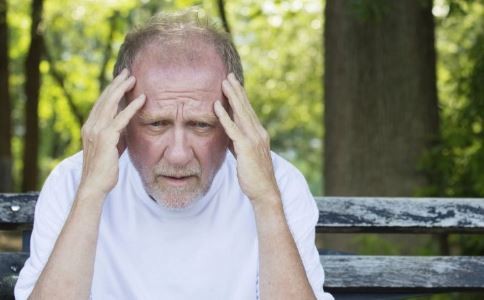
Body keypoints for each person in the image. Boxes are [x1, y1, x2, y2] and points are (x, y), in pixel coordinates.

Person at [15, 9, 333, 300]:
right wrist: (90, 194)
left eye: (200, 125)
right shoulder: (72, 183)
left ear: (235, 119)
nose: (179, 155)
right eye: (156, 123)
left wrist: (265, 199)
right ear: (119, 118)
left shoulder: (279, 184)